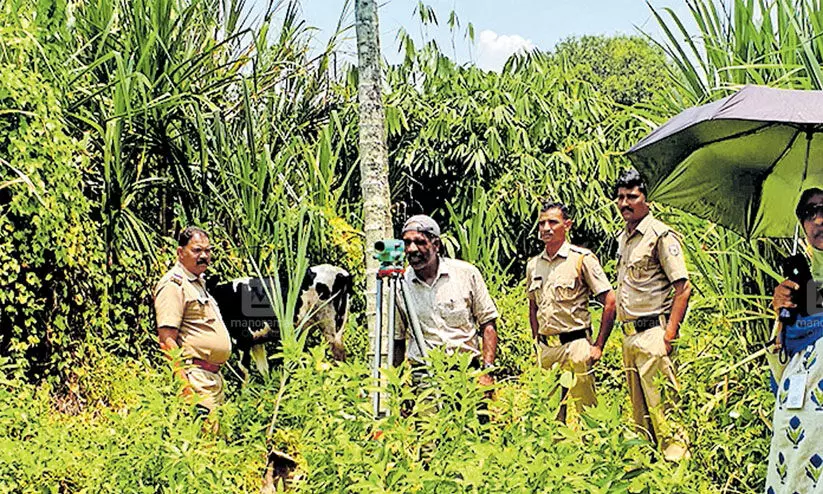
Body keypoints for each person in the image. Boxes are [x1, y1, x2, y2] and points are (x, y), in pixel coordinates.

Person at [614, 169, 692, 461]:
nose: (625, 203)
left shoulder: (660, 235)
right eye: (620, 197)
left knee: (666, 416)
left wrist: (669, 335)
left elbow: (683, 288)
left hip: (653, 335)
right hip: (630, 338)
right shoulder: (625, 238)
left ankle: (678, 476)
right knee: (641, 421)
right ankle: (649, 476)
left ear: (646, 198)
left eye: (632, 196)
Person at [526, 201, 616, 422]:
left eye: (553, 222)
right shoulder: (533, 265)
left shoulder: (581, 259)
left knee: (589, 413)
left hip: (576, 346)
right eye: (542, 223)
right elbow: (533, 306)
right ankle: (556, 455)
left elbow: (610, 301)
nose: (546, 228)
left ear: (567, 225)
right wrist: (536, 342)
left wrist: (598, 346)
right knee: (550, 416)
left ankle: (596, 454)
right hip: (548, 349)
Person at [394, 214, 499, 390]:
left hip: (466, 372)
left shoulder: (466, 274)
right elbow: (398, 338)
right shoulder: (399, 285)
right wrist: (396, 387)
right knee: (428, 418)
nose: (412, 249)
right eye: (407, 243)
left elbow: (488, 323)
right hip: (424, 376)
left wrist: (487, 371)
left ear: (436, 245)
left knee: (471, 417)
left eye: (419, 242)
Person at [766, 187, 823, 493]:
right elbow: (781, 366)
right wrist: (781, 311)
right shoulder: (806, 282)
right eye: (809, 213)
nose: (818, 221)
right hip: (797, 424)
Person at [154, 226, 231, 414]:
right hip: (196, 379)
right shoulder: (174, 285)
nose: (204, 256)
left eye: (207, 250)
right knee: (204, 440)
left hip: (212, 378)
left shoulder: (198, 283)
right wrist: (185, 389)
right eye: (197, 250)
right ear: (180, 252)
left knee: (217, 440)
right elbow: (166, 339)